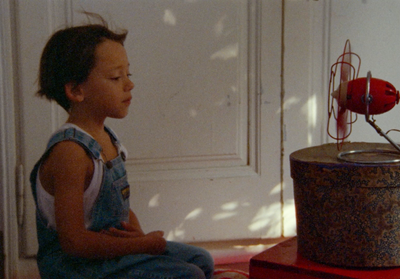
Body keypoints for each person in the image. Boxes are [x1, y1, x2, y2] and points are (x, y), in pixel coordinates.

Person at [30, 14, 214, 279]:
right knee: (189, 275)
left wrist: (137, 236)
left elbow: (117, 206)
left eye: (128, 73)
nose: (130, 84)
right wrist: (140, 246)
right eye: (116, 78)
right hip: (76, 266)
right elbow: (74, 243)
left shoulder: (108, 138)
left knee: (201, 260)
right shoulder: (69, 152)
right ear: (76, 91)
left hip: (108, 253)